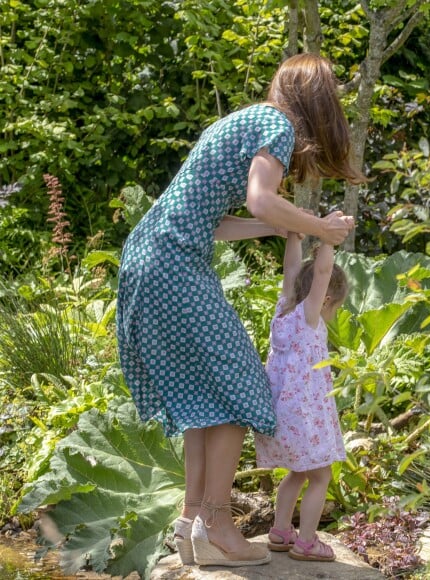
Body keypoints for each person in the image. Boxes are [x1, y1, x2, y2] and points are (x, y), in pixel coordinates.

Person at [116, 53, 364, 568]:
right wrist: (321, 229)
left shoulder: (241, 120)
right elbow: (259, 200)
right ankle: (221, 527)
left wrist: (287, 224)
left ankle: (191, 526)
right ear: (316, 102)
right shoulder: (276, 125)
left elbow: (223, 223)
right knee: (239, 387)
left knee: (203, 394)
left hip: (149, 256)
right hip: (175, 265)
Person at [254, 236, 348, 562]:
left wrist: (294, 234)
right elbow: (321, 273)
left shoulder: (284, 310)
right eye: (336, 305)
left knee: (297, 473)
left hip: (280, 416)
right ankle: (307, 541)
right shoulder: (309, 317)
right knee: (321, 476)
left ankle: (281, 531)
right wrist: (328, 239)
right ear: (326, 300)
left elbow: (292, 269)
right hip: (304, 417)